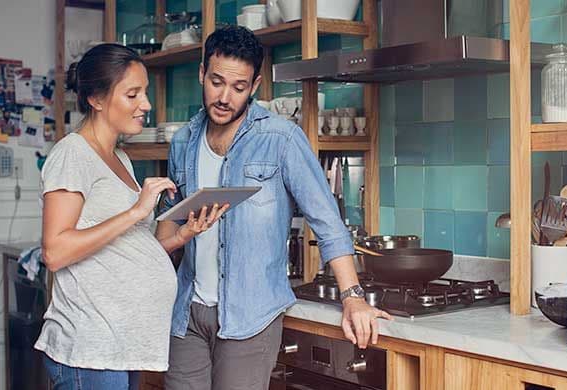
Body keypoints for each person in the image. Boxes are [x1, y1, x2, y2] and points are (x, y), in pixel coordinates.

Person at [156, 25, 392, 390]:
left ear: (255, 86)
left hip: (251, 316)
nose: (224, 97)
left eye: (238, 88)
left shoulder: (281, 139)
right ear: (202, 73)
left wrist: (353, 296)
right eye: (216, 82)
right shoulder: (184, 140)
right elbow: (174, 223)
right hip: (187, 314)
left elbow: (327, 221)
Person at [36, 43, 227, 390]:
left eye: (146, 93)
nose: (146, 105)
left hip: (123, 346)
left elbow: (126, 246)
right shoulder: (72, 154)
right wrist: (137, 210)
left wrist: (180, 237)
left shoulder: (119, 158)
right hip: (91, 350)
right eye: (133, 94)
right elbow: (55, 251)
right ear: (96, 99)